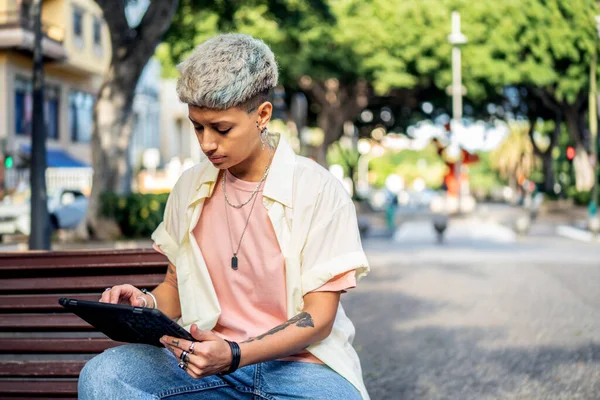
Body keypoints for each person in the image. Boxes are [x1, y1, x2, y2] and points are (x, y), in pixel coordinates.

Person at [78, 33, 370, 399]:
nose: (207, 143)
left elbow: (319, 317)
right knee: (105, 375)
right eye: (197, 126)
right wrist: (145, 304)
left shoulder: (318, 190)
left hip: (301, 370)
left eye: (222, 128)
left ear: (262, 115)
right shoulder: (188, 188)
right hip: (205, 364)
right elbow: (175, 288)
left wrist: (235, 354)